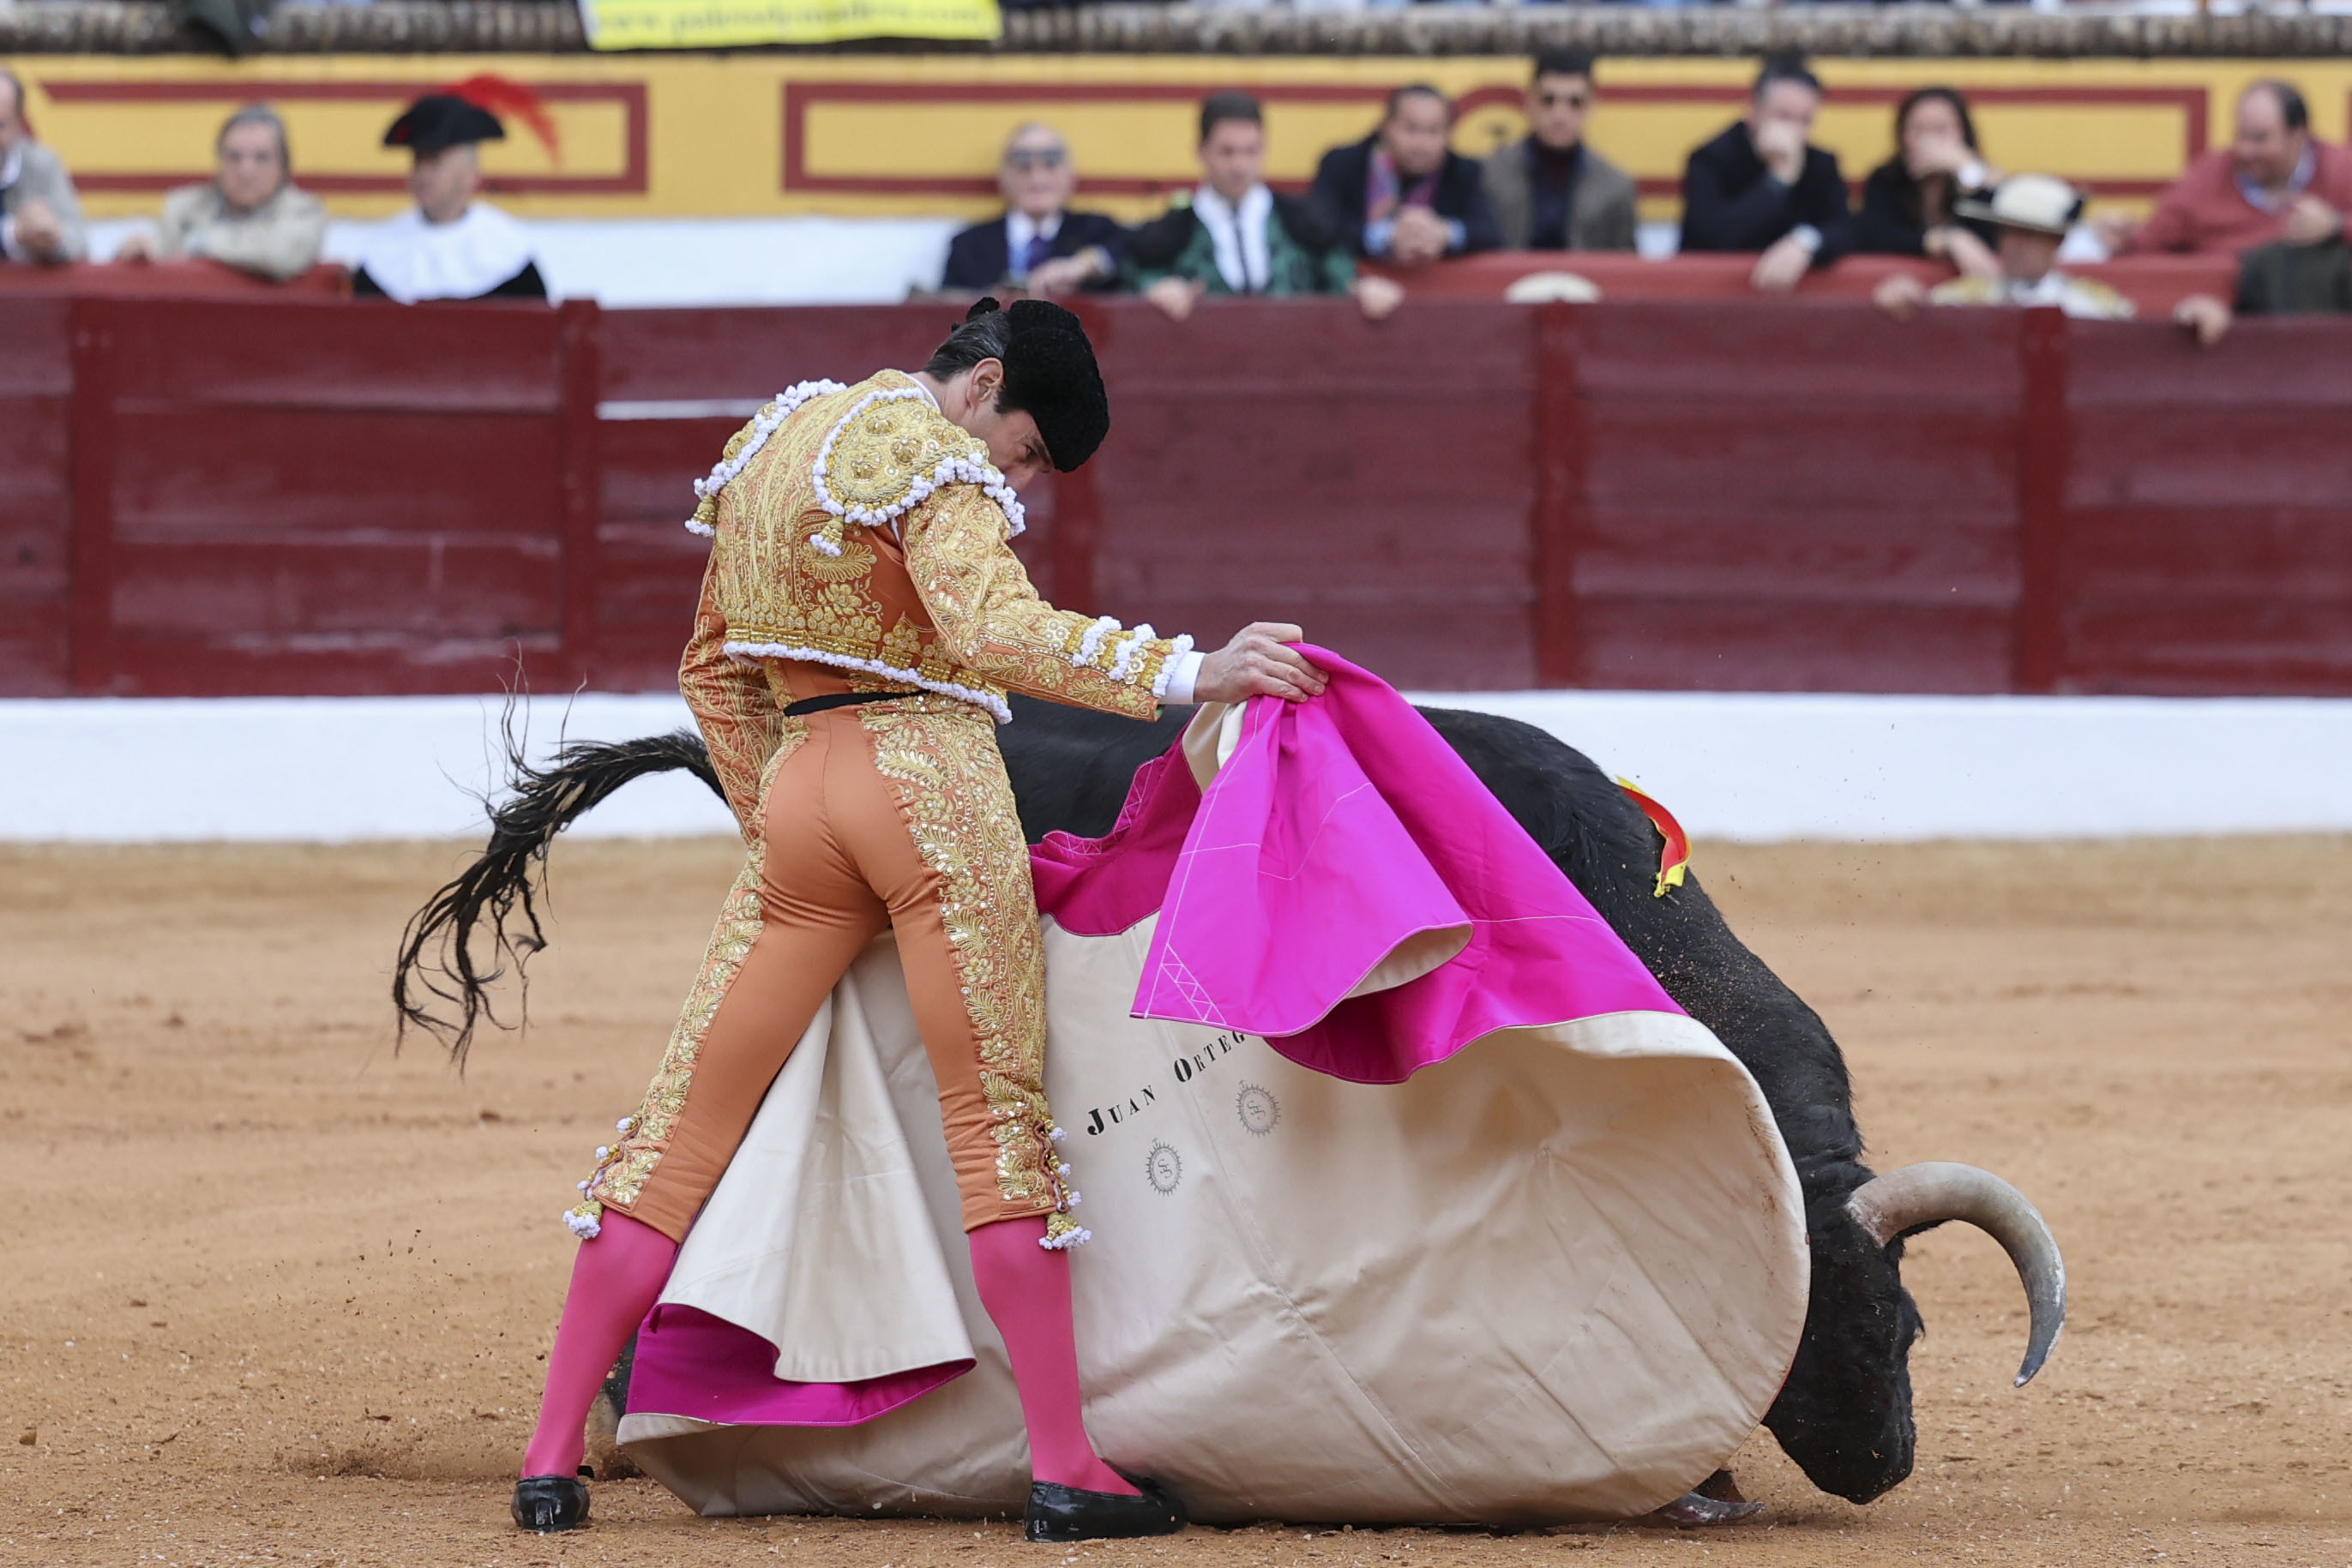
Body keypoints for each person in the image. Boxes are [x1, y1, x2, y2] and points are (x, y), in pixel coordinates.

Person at [509, 296, 1329, 1539]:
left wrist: (783, 824)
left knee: (675, 1131)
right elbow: (993, 631)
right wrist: (1190, 671)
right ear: (982, 383)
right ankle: (1066, 1466)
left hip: (800, 787)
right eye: (1026, 452)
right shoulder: (935, 455)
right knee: (996, 1126)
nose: (1018, 480)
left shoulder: (771, 445)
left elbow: (710, 668)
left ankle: (549, 1458)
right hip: (932, 791)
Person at [1128, 92, 1404, 321]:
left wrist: (1361, 289)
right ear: (1201, 151)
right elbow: (1135, 278)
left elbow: (1341, 279)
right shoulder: (1169, 232)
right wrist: (1155, 289)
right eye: (1227, 152)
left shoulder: (1303, 223)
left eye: (1251, 151)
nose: (1239, 166)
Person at [2101, 81, 2352, 260]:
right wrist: (2120, 236)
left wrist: (2336, 226)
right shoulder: (2209, 175)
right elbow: (2149, 240)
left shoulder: (2341, 168)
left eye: (2260, 139)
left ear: (2298, 135)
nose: (2245, 150)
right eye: (2240, 136)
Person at [352, 81, 547, 303]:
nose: (423, 174)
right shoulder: (383, 258)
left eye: (435, 161)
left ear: (471, 173)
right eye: (418, 161)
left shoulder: (509, 255)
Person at [1679, 54, 1855, 293]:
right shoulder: (1710, 160)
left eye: (1805, 121)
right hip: (1715, 296)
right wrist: (1777, 180)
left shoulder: (1820, 163)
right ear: (1753, 111)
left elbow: (1845, 230)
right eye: (1784, 117)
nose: (1795, 131)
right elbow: (1714, 237)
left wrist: (1804, 242)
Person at [1873, 174, 2132, 322]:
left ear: (2057, 241)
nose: (2012, 245)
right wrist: (1905, 298)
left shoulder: (2097, 307)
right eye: (2006, 232)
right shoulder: (1960, 299)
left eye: (2027, 234)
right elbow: (1920, 315)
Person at [113, 105, 325, 282]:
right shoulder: (185, 206)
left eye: (261, 158)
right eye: (234, 157)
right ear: (219, 163)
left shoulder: (303, 210)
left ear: (283, 166)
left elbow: (279, 255)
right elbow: (159, 249)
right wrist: (139, 251)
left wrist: (200, 243)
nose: (246, 171)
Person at [1308, 84, 1501, 268]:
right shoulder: (1342, 163)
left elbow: (1490, 233)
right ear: (1385, 127)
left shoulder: (1463, 171)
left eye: (1434, 131)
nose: (1421, 144)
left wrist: (1444, 233)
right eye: (1411, 128)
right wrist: (1385, 236)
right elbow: (1319, 227)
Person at [1480, 47, 1638, 254]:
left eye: (1575, 102)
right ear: (1529, 101)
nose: (1560, 114)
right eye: (1548, 100)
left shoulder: (1615, 186)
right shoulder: (1489, 175)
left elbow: (1626, 264)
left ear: (1592, 105)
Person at [941, 123, 1128, 297]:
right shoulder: (969, 245)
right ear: (1003, 175)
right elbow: (949, 306)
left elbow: (1117, 254)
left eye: (1051, 163)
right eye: (1023, 166)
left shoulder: (1098, 229)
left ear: (1070, 174)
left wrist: (1079, 267)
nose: (1038, 179)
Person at [1856, 87, 2001, 280]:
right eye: (1918, 129)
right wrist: (1948, 239)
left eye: (1941, 129)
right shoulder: (1885, 179)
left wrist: (1968, 172)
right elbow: (1875, 236)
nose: (1928, 141)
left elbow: (1998, 232)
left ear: (1963, 133)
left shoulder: (1979, 179)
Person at [0, 66, 86, 265]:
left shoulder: (42, 165)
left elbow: (78, 242)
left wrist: (52, 237)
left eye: (1, 125)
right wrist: (13, 235)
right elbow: (15, 235)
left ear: (19, 125)